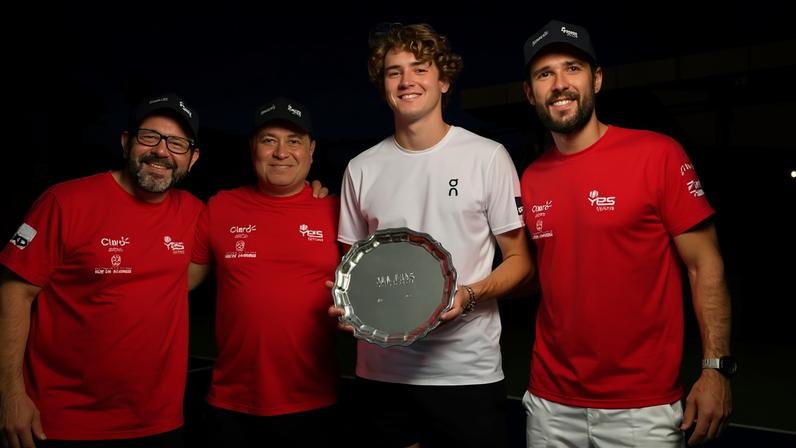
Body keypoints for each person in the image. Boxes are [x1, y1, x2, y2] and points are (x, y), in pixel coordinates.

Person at [519, 20, 734, 447]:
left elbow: (704, 263)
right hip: (549, 405)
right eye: (545, 74)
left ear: (596, 79)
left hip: (644, 409)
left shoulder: (657, 154)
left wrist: (716, 369)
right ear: (530, 93)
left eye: (572, 68)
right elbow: (538, 273)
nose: (560, 84)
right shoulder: (529, 178)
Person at [331, 23, 534, 448]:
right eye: (394, 71)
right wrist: (348, 307)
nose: (407, 81)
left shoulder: (487, 157)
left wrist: (470, 295)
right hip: (381, 375)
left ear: (444, 81)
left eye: (420, 68)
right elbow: (353, 270)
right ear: (382, 85)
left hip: (467, 373)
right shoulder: (361, 168)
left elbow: (520, 263)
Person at [0, 93, 205, 448]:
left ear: (192, 157)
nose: (161, 151)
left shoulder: (197, 213)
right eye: (149, 137)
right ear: (127, 142)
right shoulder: (64, 202)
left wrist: (311, 192)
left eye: (176, 143)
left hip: (157, 423)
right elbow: (15, 290)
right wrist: (10, 396)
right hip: (59, 421)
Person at [188, 97, 340, 448]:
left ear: (312, 150)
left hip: (313, 402)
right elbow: (177, 283)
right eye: (269, 140)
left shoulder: (337, 211)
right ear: (253, 147)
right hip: (231, 402)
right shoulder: (220, 206)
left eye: (294, 141)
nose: (281, 152)